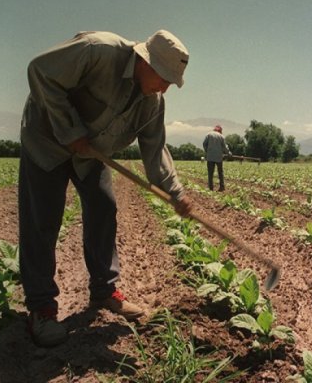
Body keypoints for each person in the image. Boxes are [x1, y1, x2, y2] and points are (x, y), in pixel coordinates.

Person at [19, 30, 192, 347]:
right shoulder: (98, 51)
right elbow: (39, 71)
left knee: (103, 208)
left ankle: (104, 290)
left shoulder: (152, 102)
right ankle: (41, 308)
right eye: (163, 77)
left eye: (171, 81)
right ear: (144, 60)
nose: (165, 87)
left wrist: (175, 193)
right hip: (46, 142)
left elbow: (155, 150)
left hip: (90, 153)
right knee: (42, 221)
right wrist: (69, 128)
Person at [203, 125, 231, 191]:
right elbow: (224, 147)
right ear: (220, 131)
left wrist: (207, 151)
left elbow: (204, 144)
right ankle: (222, 187)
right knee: (220, 172)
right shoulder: (221, 136)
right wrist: (229, 153)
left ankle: (210, 188)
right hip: (219, 157)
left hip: (210, 157)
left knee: (210, 173)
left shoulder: (208, 135)